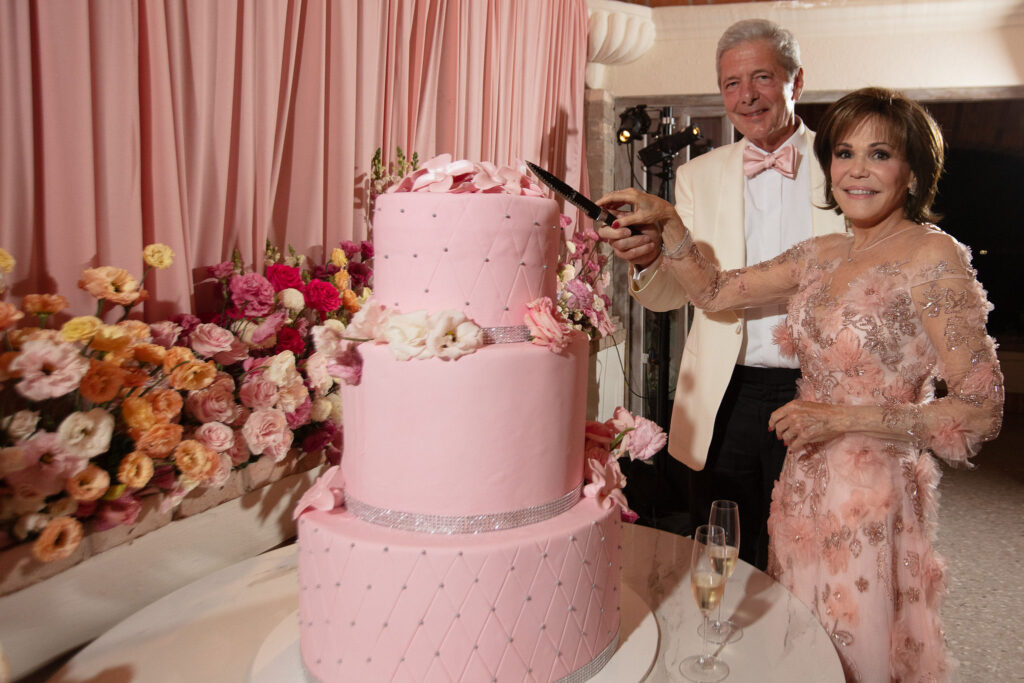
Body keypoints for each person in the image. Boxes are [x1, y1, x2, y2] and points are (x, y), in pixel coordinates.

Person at [598, 86, 1003, 682]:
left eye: (880, 155)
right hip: (803, 480)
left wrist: (843, 419)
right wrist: (671, 223)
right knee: (801, 641)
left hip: (870, 494)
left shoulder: (932, 257)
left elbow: (980, 410)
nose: (857, 171)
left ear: (913, 172)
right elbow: (714, 291)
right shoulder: (822, 252)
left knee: (852, 643)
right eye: (844, 153)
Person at [624, 19, 846, 570]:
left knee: (817, 540)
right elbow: (681, 290)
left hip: (821, 386)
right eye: (730, 83)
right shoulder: (697, 176)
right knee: (726, 536)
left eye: (763, 77)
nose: (746, 95)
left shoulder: (844, 164)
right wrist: (653, 260)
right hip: (730, 389)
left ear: (797, 81)